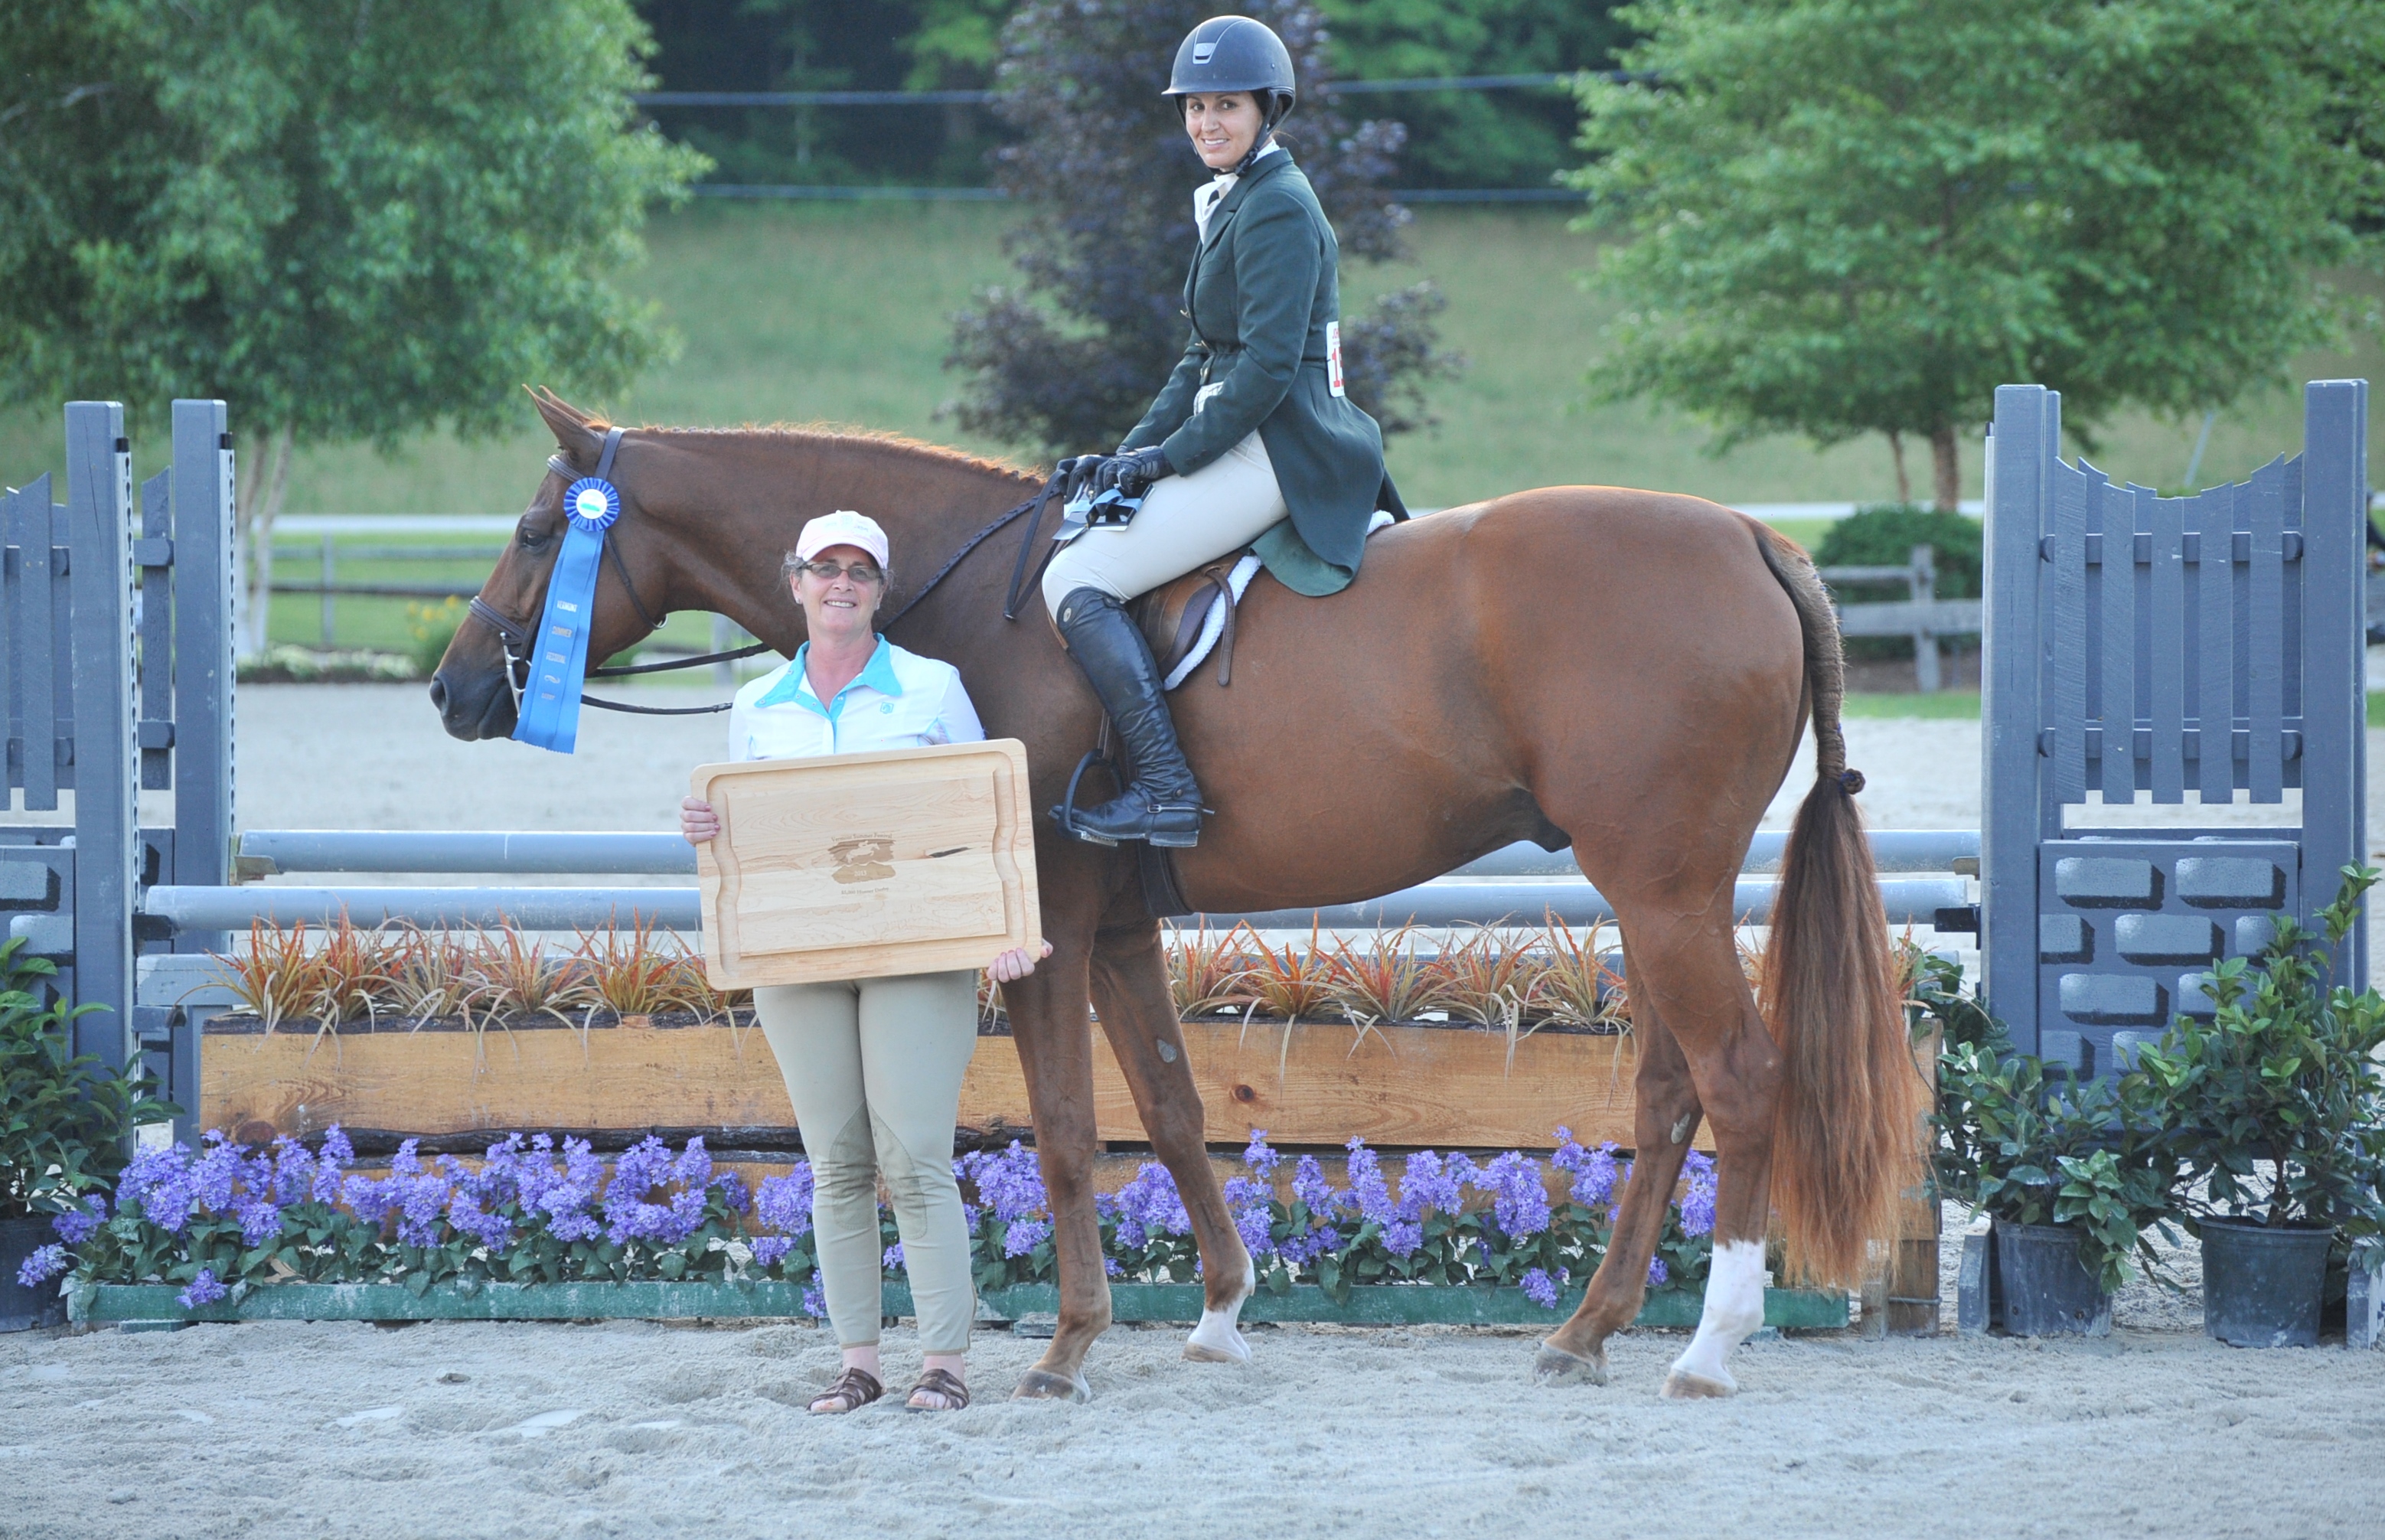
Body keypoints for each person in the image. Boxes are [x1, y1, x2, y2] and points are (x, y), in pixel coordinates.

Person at [680, 509, 1049, 1414]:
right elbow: (755, 841)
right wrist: (706, 828)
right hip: (797, 956)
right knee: (836, 1162)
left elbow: (987, 817)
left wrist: (1007, 925)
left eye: (858, 570)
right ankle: (858, 1362)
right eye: (823, 567)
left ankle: (945, 1364)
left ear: (879, 590)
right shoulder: (755, 706)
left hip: (915, 951)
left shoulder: (931, 688)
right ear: (795, 581)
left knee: (914, 1155)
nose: (840, 582)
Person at [1042, 14, 1399, 850]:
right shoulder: (1237, 198)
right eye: (1194, 106)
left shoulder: (1274, 206)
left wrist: (1170, 458)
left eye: (1225, 105)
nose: (1206, 122)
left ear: (1266, 109)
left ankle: (1166, 790)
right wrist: (1128, 455)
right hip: (1242, 426)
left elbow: (1267, 370)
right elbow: (1201, 355)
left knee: (1077, 579)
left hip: (1280, 442)